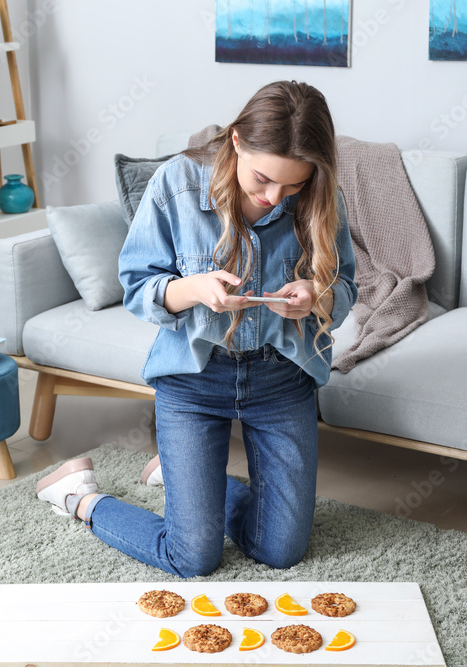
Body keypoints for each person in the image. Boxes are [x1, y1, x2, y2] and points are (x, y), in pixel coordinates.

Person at [35, 80, 357, 578]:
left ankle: (184, 482)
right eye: (263, 179)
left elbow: (347, 287)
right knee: (193, 558)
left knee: (281, 552)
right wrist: (193, 289)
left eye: (292, 186)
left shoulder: (320, 195)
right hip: (192, 381)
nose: (275, 198)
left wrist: (319, 296)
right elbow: (137, 286)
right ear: (236, 142)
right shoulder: (177, 184)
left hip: (282, 380)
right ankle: (78, 495)